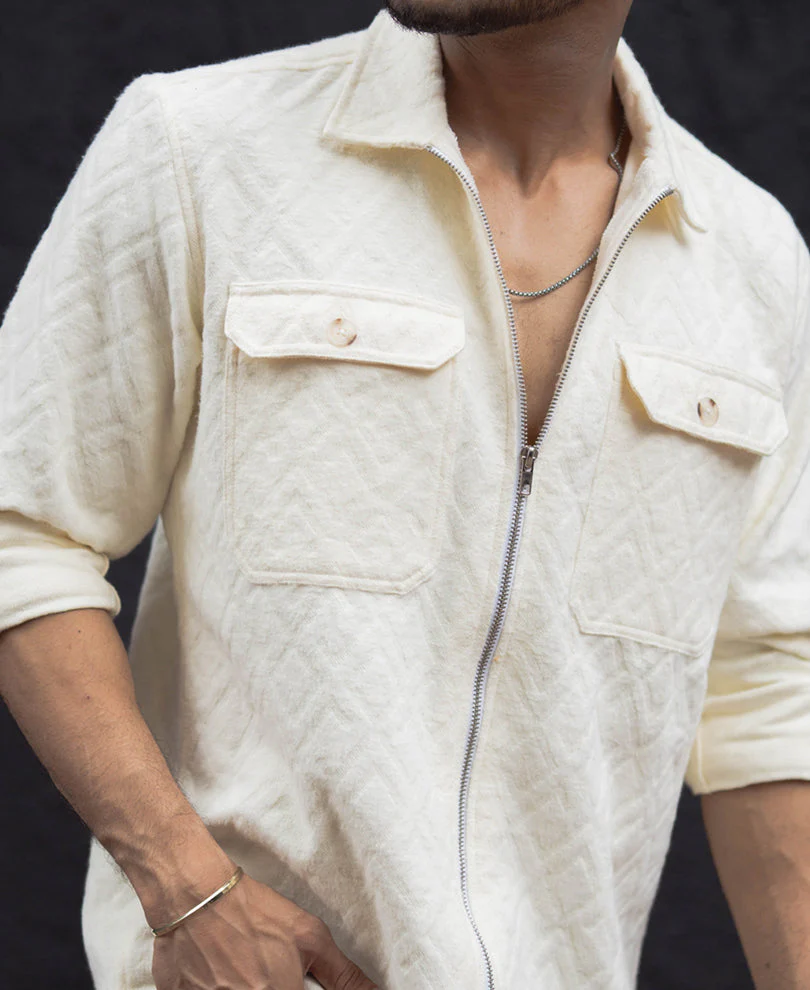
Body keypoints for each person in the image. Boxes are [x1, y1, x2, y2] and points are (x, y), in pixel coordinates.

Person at [0, 1, 808, 988]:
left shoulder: (752, 264)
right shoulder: (201, 146)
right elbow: (21, 529)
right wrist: (186, 886)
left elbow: (769, 688)